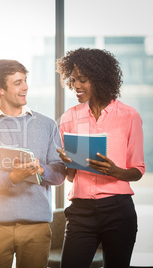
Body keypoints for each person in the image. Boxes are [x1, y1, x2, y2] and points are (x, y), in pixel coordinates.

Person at [0, 59, 66, 268]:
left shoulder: (47, 125)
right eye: (17, 83)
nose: (25, 87)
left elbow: (60, 173)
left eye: (25, 81)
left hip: (37, 227)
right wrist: (14, 177)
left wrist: (42, 170)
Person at [56, 48, 145, 268]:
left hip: (118, 210)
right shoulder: (70, 117)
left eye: (83, 80)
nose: (76, 86)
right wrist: (69, 163)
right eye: (73, 79)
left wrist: (115, 172)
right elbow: (70, 177)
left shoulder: (129, 116)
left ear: (100, 78)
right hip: (81, 212)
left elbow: (138, 169)